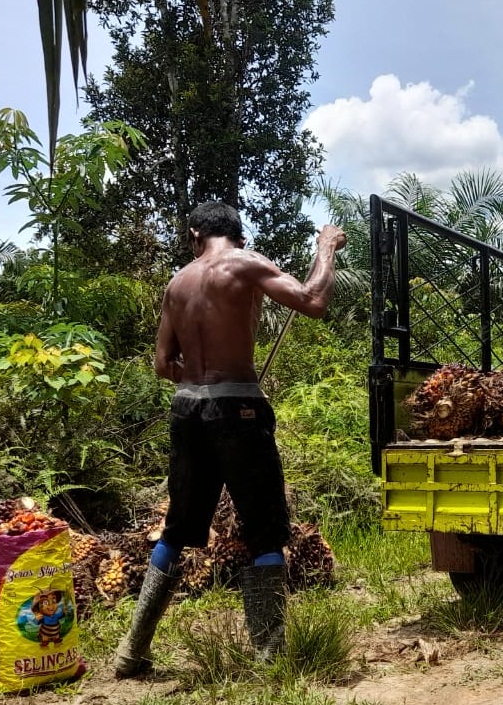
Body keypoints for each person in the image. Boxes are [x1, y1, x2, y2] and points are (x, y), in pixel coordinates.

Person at [115, 201, 346, 677]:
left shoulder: (176, 283)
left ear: (195, 234)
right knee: (265, 529)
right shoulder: (246, 263)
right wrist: (325, 248)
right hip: (238, 410)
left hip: (186, 409)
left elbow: (163, 366)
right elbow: (314, 301)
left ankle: (131, 652)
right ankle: (269, 659)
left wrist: (200, 383)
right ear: (236, 236)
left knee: (178, 528)